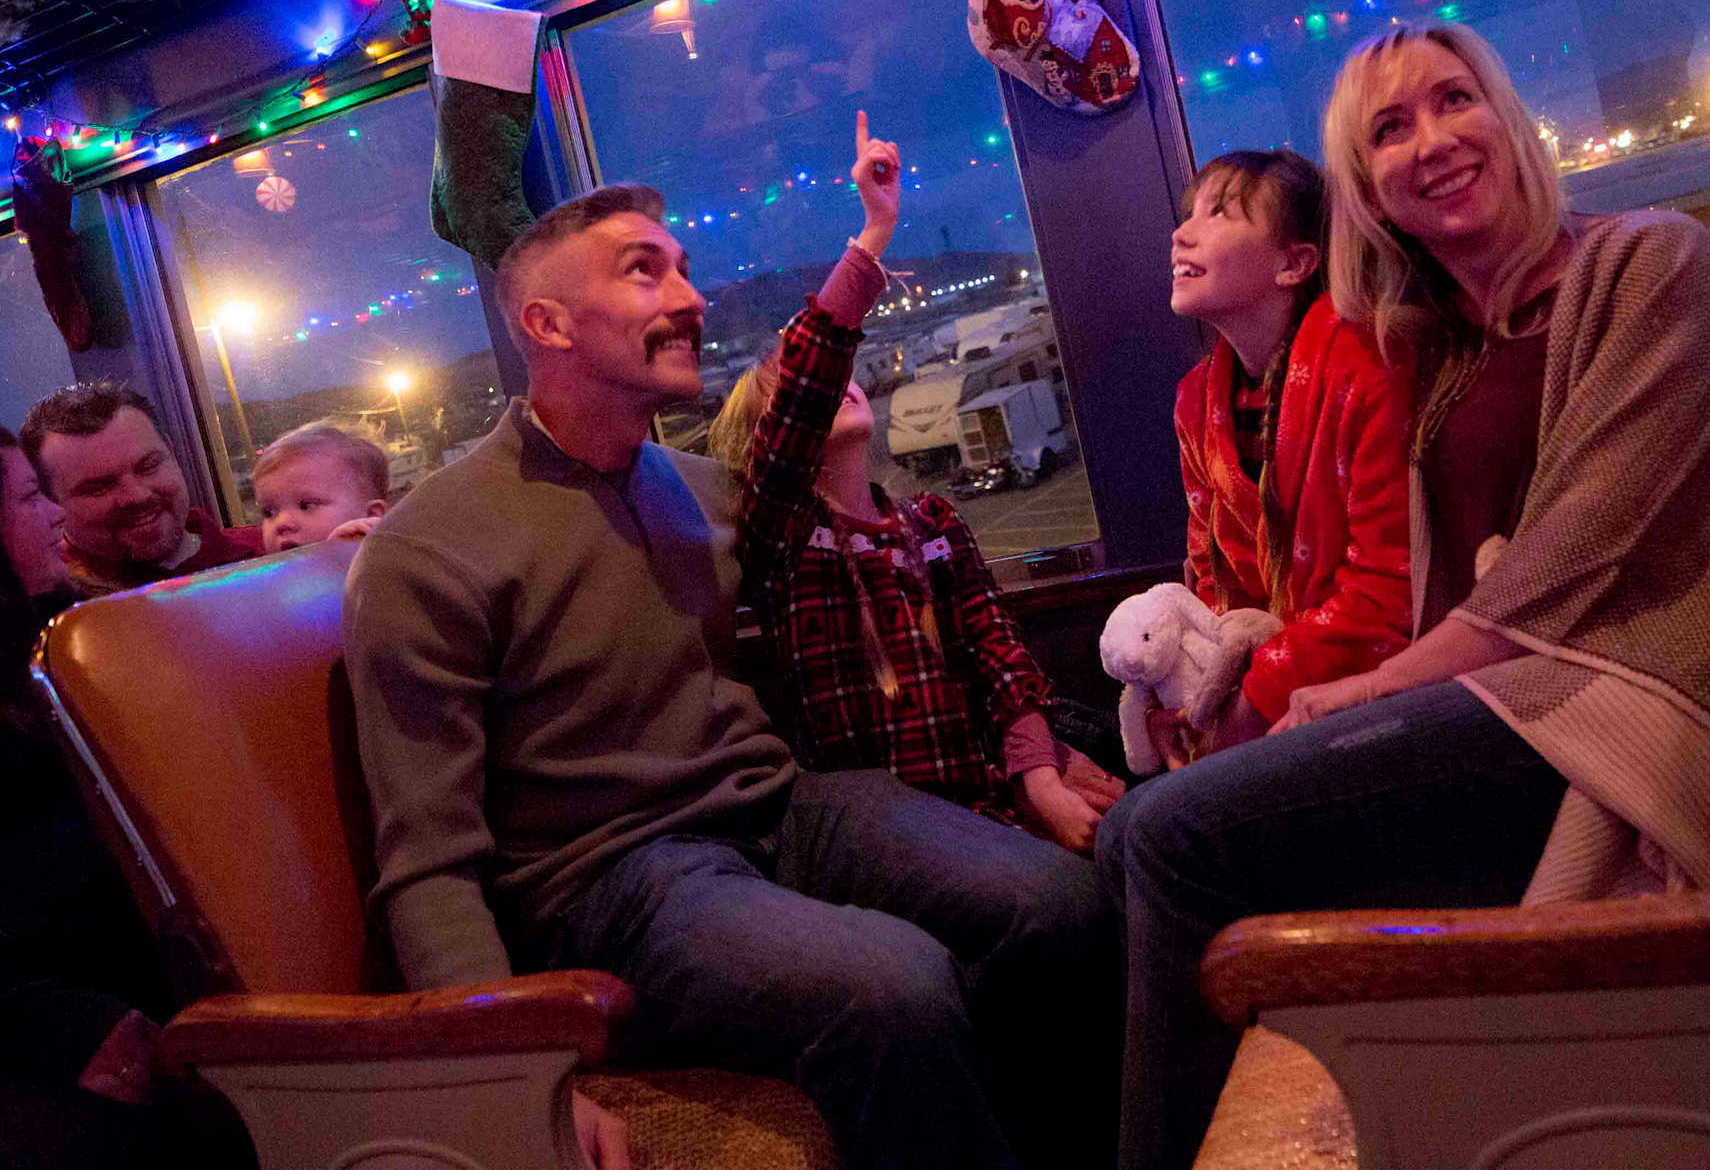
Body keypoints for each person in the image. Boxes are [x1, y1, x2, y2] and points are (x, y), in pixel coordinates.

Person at [1098, 22, 1710, 1170]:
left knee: (1172, 834)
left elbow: (1572, 553)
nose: (1432, 140)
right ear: (1369, 189)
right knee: (1129, 831)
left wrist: (1361, 690)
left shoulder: (1650, 262)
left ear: (1509, 117)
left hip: (1641, 719)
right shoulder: (1446, 342)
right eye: (1390, 129)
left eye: (1455, 100)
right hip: (1516, 706)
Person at [344, 182, 1119, 1170]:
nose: (693, 296)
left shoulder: (700, 489)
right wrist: (521, 1077)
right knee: (894, 985)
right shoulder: (429, 548)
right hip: (616, 876)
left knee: (1060, 903)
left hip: (785, 809)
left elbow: (863, 550)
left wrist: (1033, 745)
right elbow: (427, 864)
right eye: (645, 271)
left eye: (684, 268)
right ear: (548, 323)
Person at [0, 419, 250, 1168]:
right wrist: (56, 1026)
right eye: (31, 497)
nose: (56, 514)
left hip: (140, 991)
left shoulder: (61, 637)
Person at [708, 113, 1123, 852]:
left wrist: (1040, 779)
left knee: (1125, 839)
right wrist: (875, 232)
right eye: (799, 385)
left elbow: (998, 653)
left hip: (988, 791)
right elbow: (809, 378)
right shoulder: (784, 533)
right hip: (882, 827)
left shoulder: (931, 520)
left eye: (843, 372)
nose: (840, 379)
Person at [1158, 147, 1413, 750]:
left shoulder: (1371, 368)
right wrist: (1194, 684)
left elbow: (1389, 589)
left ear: (1294, 263)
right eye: (1189, 214)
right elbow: (1211, 570)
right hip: (1261, 674)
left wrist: (1248, 708)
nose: (1180, 234)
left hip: (1376, 691)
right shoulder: (1195, 398)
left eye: (1218, 214)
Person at [22, 382, 262, 597]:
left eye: (148, 466)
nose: (137, 496)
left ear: (172, 454)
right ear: (48, 501)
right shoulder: (42, 608)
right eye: (99, 488)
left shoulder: (270, 554)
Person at [252, 420, 390, 553]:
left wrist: (340, 557)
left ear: (371, 515)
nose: (282, 523)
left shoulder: (390, 561)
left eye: (307, 506)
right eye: (269, 513)